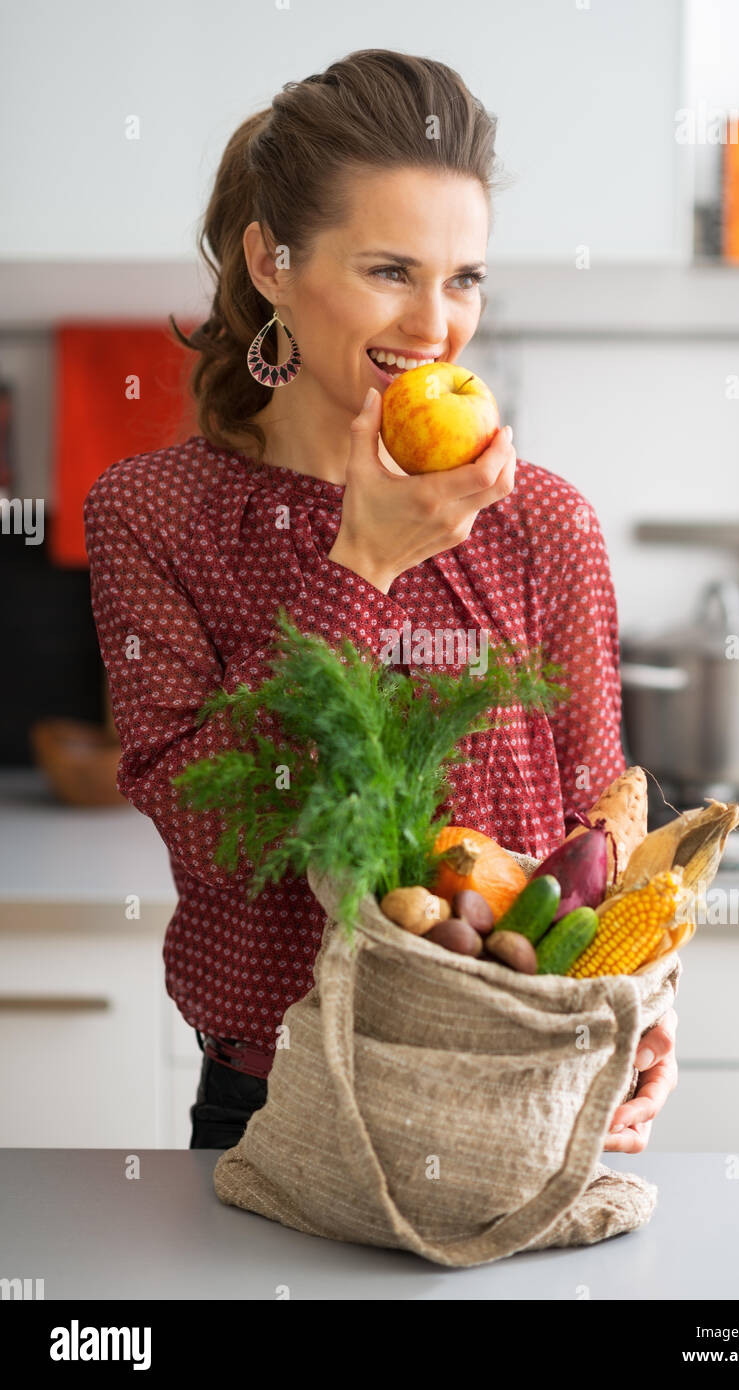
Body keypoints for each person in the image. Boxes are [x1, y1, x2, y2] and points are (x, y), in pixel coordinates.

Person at [83, 48, 677, 1153]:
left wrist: (645, 1009)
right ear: (271, 260)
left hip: (522, 1095)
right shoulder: (156, 515)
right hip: (280, 1109)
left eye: (464, 279)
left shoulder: (543, 521)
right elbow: (217, 825)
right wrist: (362, 567)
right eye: (390, 271)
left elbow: (602, 848)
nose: (435, 325)